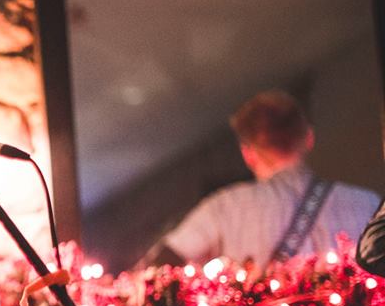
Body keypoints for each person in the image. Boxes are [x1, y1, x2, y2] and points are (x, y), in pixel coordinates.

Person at [152, 90, 380, 267]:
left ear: (248, 153)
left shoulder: (226, 206)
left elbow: (162, 264)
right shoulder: (367, 203)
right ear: (309, 138)